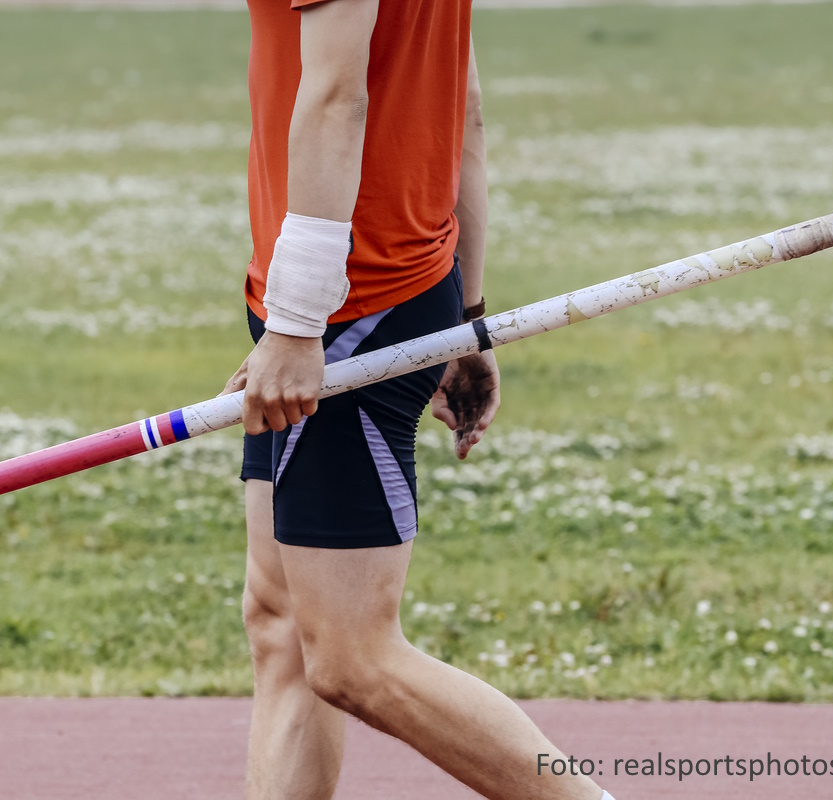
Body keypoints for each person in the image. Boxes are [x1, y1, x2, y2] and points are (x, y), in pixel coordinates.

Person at [221, 2, 618, 799]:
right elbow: (460, 101)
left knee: (352, 658)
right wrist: (464, 317)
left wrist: (300, 326)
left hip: (344, 305)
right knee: (283, 625)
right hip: (360, 290)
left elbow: (338, 98)